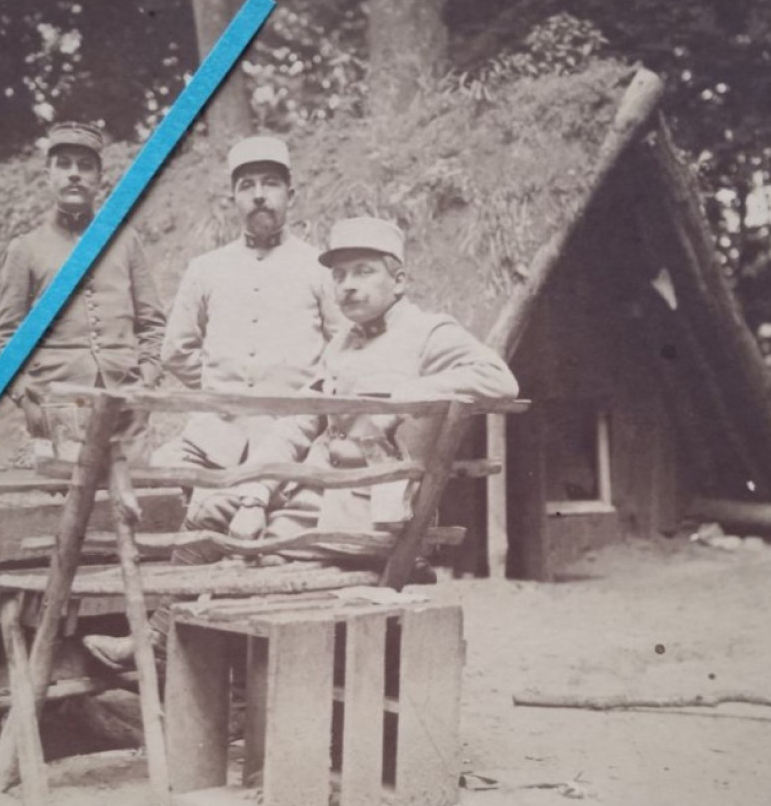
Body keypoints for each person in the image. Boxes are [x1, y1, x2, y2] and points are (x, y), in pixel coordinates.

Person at [84, 216, 516, 671]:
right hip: (309, 498)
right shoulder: (343, 344)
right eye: (339, 275)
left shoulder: (429, 333)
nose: (348, 286)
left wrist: (404, 395)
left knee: (244, 559)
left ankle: (210, 674)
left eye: (364, 271)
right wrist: (253, 495)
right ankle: (159, 642)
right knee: (209, 512)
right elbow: (296, 426)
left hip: (363, 513)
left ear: (400, 279)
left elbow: (498, 378)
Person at [154, 135, 345, 470]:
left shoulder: (319, 268)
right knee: (158, 474)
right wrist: (221, 391)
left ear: (290, 195)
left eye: (270, 184)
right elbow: (175, 349)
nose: (259, 195)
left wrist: (305, 399)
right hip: (215, 434)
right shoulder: (205, 268)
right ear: (233, 199)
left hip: (292, 434)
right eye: (246, 186)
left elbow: (344, 347)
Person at [0, 120, 166, 459]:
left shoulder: (125, 241)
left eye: (85, 166)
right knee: (59, 506)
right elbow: (3, 340)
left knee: (135, 502)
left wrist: (147, 380)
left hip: (125, 402)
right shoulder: (26, 248)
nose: (74, 174)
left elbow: (153, 324)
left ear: (99, 178)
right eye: (64, 164)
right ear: (47, 175)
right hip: (56, 406)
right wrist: (25, 397)